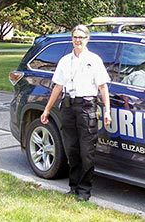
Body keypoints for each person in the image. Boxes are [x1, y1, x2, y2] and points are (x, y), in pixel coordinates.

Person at [40, 24, 111, 202]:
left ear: (87, 39)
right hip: (68, 106)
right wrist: (47, 109)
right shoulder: (65, 60)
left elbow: (103, 87)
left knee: (86, 151)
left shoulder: (94, 60)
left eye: (81, 37)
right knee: (72, 149)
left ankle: (84, 190)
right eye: (75, 37)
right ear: (72, 38)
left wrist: (107, 111)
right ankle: (73, 187)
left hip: (87, 108)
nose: (78, 40)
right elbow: (58, 86)